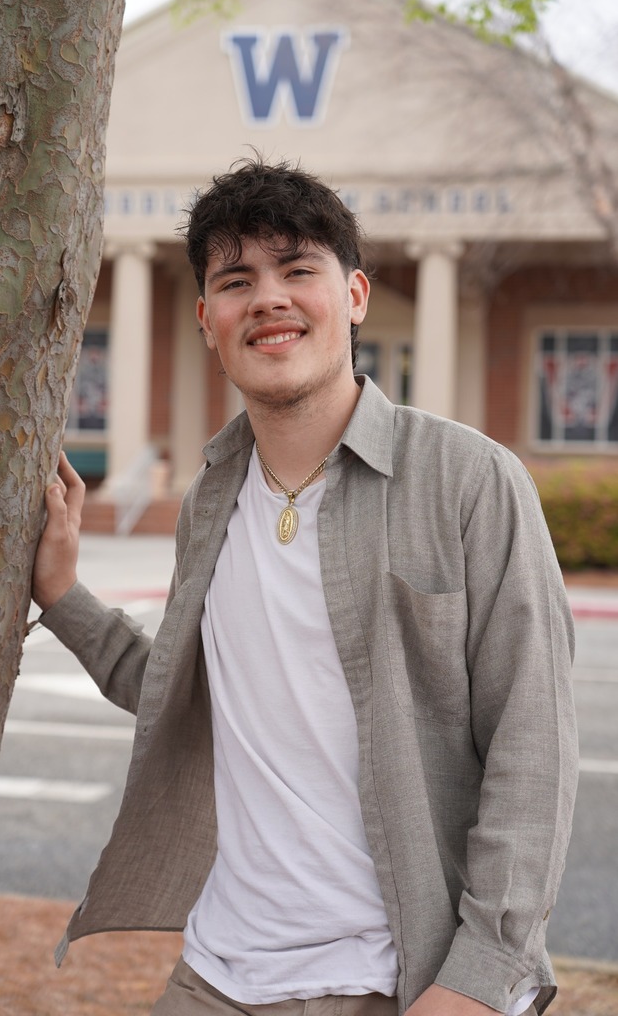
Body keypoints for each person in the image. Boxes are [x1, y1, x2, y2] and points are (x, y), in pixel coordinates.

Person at [32, 158, 578, 1016]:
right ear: (209, 321)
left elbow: (532, 741)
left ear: (354, 294)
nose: (268, 299)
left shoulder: (466, 479)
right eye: (236, 280)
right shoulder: (211, 498)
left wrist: (480, 977)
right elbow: (191, 692)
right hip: (213, 974)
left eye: (297, 270)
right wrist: (64, 597)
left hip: (391, 980)